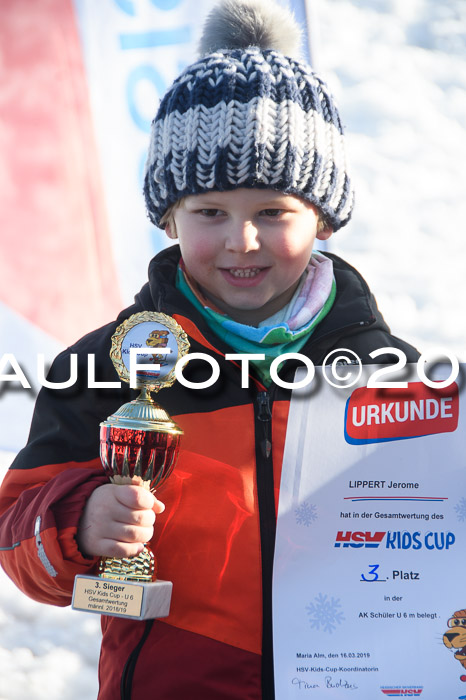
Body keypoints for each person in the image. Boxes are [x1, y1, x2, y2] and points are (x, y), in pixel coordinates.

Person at [0, 1, 419, 698]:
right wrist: (77, 520)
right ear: (169, 216)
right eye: (210, 212)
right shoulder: (105, 365)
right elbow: (18, 536)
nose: (240, 241)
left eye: (273, 212)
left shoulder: (398, 380)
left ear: (323, 215)